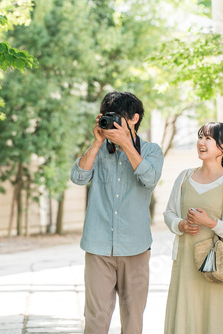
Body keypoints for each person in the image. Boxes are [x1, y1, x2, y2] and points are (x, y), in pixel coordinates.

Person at [70, 91, 164, 334]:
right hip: (98, 245)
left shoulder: (151, 150)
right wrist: (98, 141)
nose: (112, 123)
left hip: (136, 247)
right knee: (95, 318)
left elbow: (149, 178)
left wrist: (125, 144)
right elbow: (78, 178)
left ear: (134, 118)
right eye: (108, 117)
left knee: (133, 318)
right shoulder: (99, 149)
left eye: (118, 118)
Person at [163, 122, 223, 334]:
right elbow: (169, 213)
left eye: (208, 138)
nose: (201, 142)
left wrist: (210, 223)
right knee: (185, 318)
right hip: (185, 263)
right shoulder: (184, 177)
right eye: (200, 137)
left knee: (215, 320)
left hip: (217, 267)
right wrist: (180, 224)